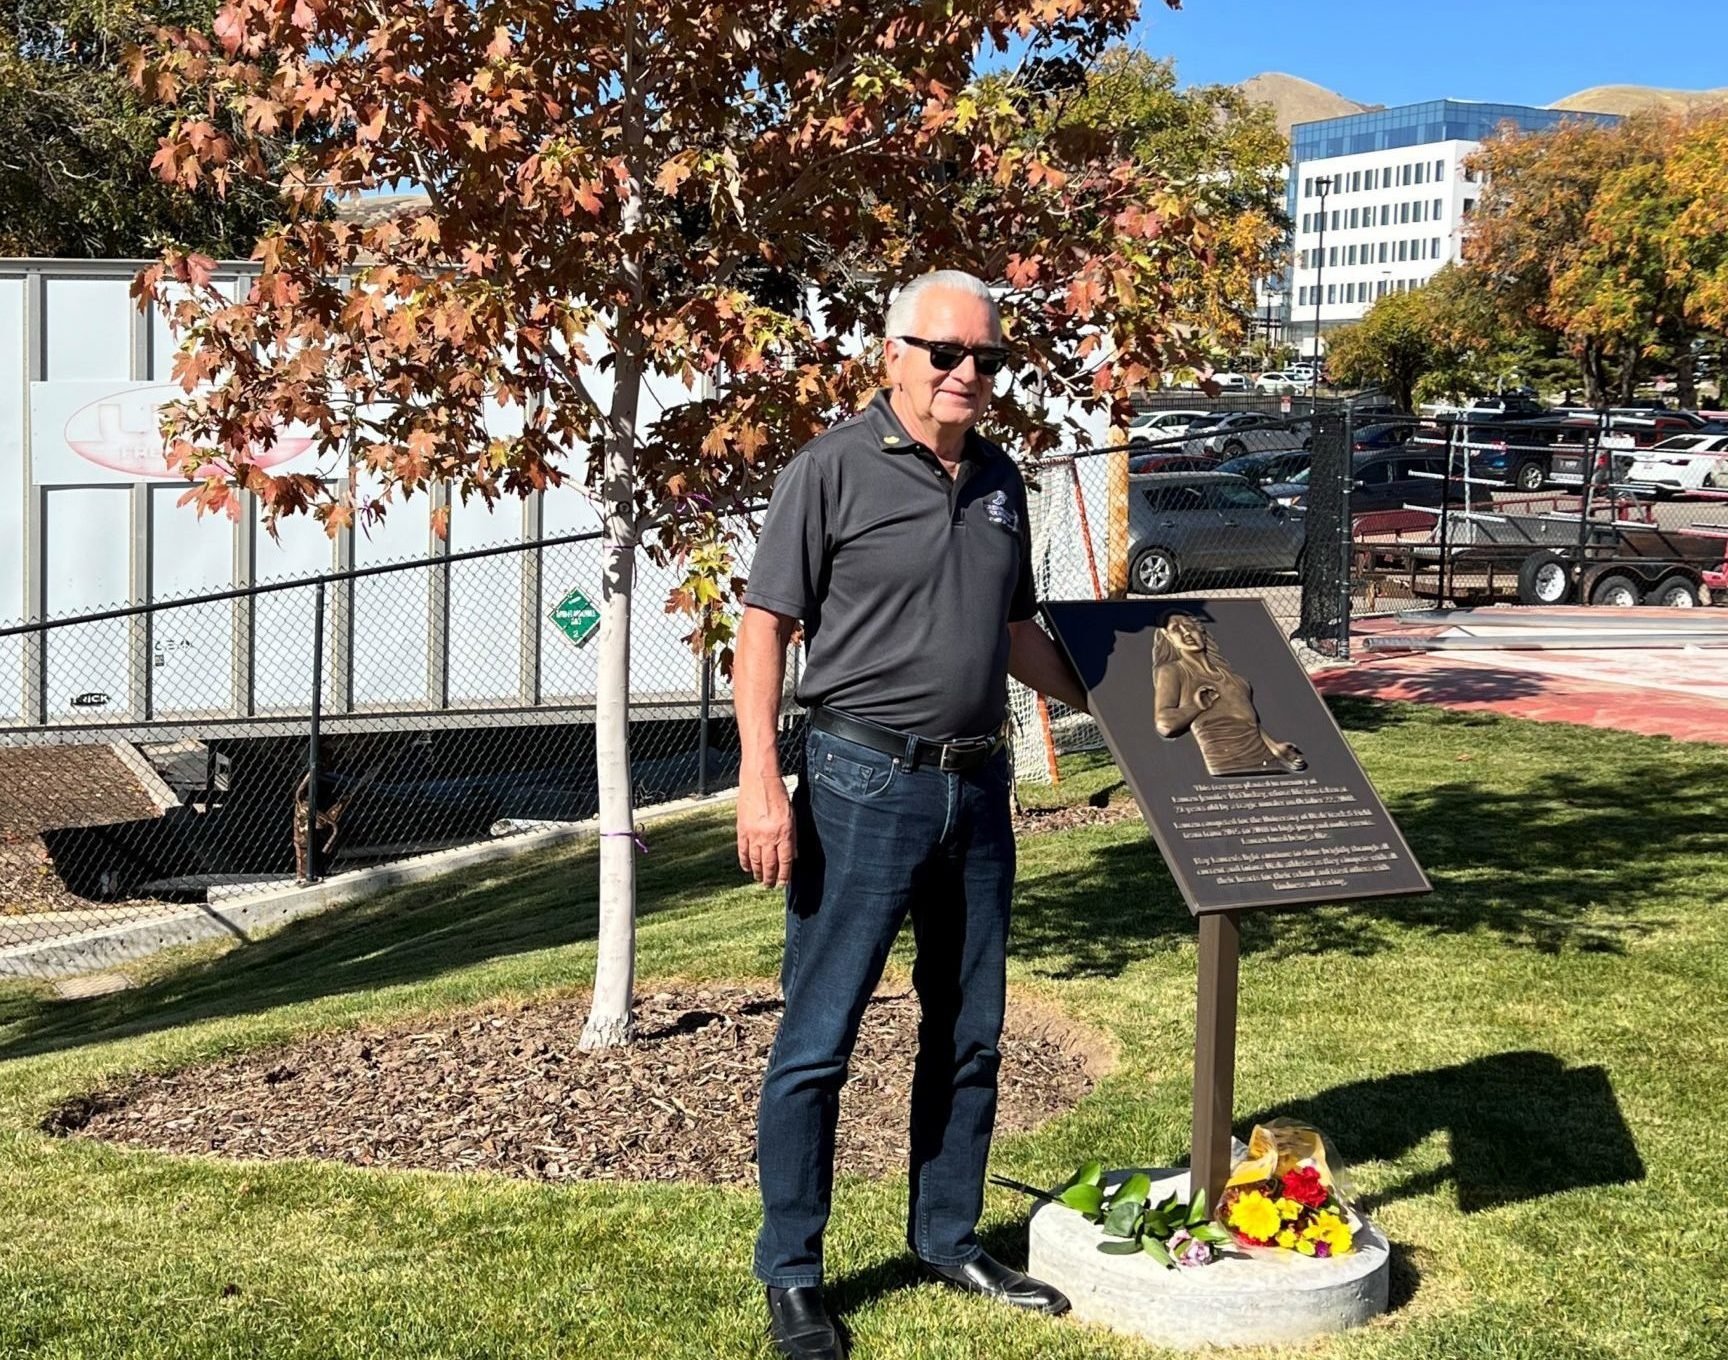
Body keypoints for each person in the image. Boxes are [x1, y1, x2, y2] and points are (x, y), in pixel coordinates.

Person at [734, 270, 1090, 1360]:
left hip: (978, 790)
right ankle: (794, 1274)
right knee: (819, 1039)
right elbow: (765, 627)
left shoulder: (1001, 483)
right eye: (946, 354)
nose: (968, 376)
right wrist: (761, 777)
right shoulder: (830, 470)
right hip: (857, 782)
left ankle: (947, 1235)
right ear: (892, 354)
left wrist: (1122, 694)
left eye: (987, 359)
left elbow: (1016, 632)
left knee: (970, 1031)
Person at [1152, 613, 1304, 777]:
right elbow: (1165, 725)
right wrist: (1196, 707)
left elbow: (1253, 725)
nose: (1186, 633)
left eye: (1189, 627)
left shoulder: (1238, 682)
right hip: (1225, 766)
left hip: (1268, 765)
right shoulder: (1173, 672)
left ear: (1201, 630)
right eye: (1176, 629)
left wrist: (1275, 749)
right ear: (1168, 638)